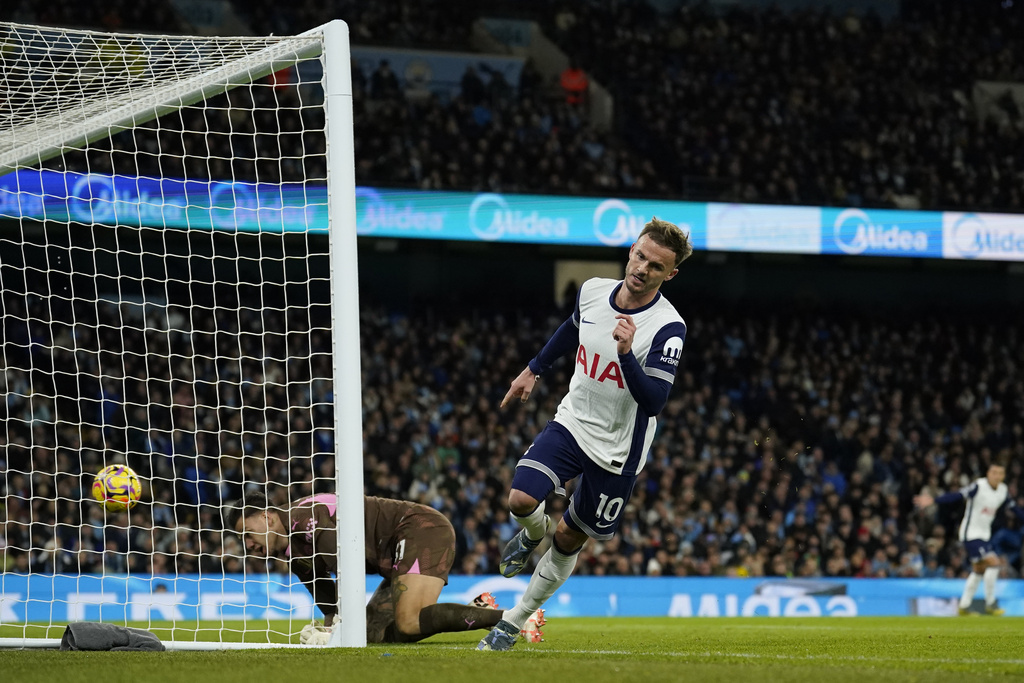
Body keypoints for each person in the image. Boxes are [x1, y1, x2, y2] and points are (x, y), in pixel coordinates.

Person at [478, 217, 693, 651]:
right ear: (631, 249)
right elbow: (572, 330)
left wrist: (627, 354)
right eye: (639, 255)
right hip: (573, 421)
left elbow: (654, 402)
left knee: (569, 537)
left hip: (618, 449)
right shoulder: (593, 289)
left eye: (655, 266)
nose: (641, 268)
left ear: (670, 274)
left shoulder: (668, 328)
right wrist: (533, 368)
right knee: (520, 499)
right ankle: (531, 534)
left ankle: (515, 620)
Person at [228, 492, 545, 644]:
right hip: (395, 553)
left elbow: (347, 577)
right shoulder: (292, 551)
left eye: (248, 534)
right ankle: (475, 610)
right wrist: (330, 629)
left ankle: (514, 619)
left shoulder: (309, 517)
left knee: (407, 623)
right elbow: (329, 600)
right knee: (372, 637)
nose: (249, 546)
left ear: (267, 518)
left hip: (420, 529)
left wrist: (336, 631)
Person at [914, 454, 1024, 616]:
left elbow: (1014, 509)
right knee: (993, 562)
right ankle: (991, 603)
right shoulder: (978, 486)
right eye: (994, 472)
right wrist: (934, 500)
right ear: (988, 473)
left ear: (1004, 475)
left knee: (979, 571)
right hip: (970, 534)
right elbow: (957, 495)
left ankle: (964, 606)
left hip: (985, 536)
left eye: (1000, 473)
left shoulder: (1003, 491)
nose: (996, 476)